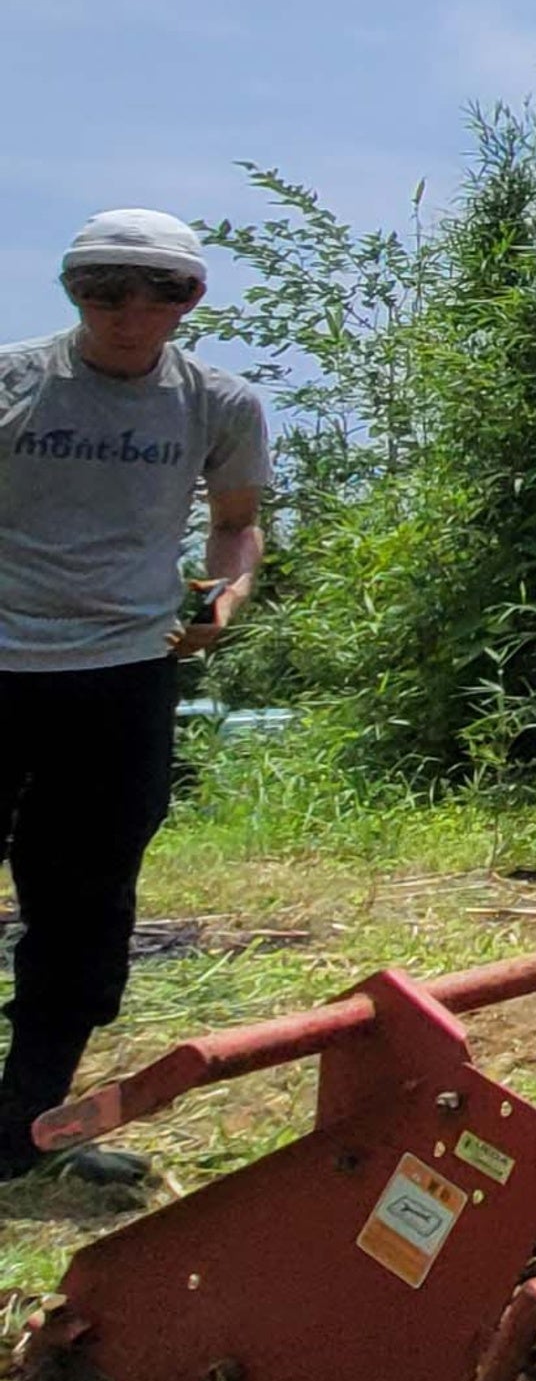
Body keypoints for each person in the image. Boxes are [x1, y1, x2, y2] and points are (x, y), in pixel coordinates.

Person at [0, 209, 269, 1186]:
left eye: (160, 291)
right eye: (102, 289)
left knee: (84, 910)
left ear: (191, 301)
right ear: (72, 291)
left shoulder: (219, 406)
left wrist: (227, 595)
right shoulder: (13, 384)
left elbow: (236, 526)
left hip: (120, 678)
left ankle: (22, 1136)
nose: (129, 311)